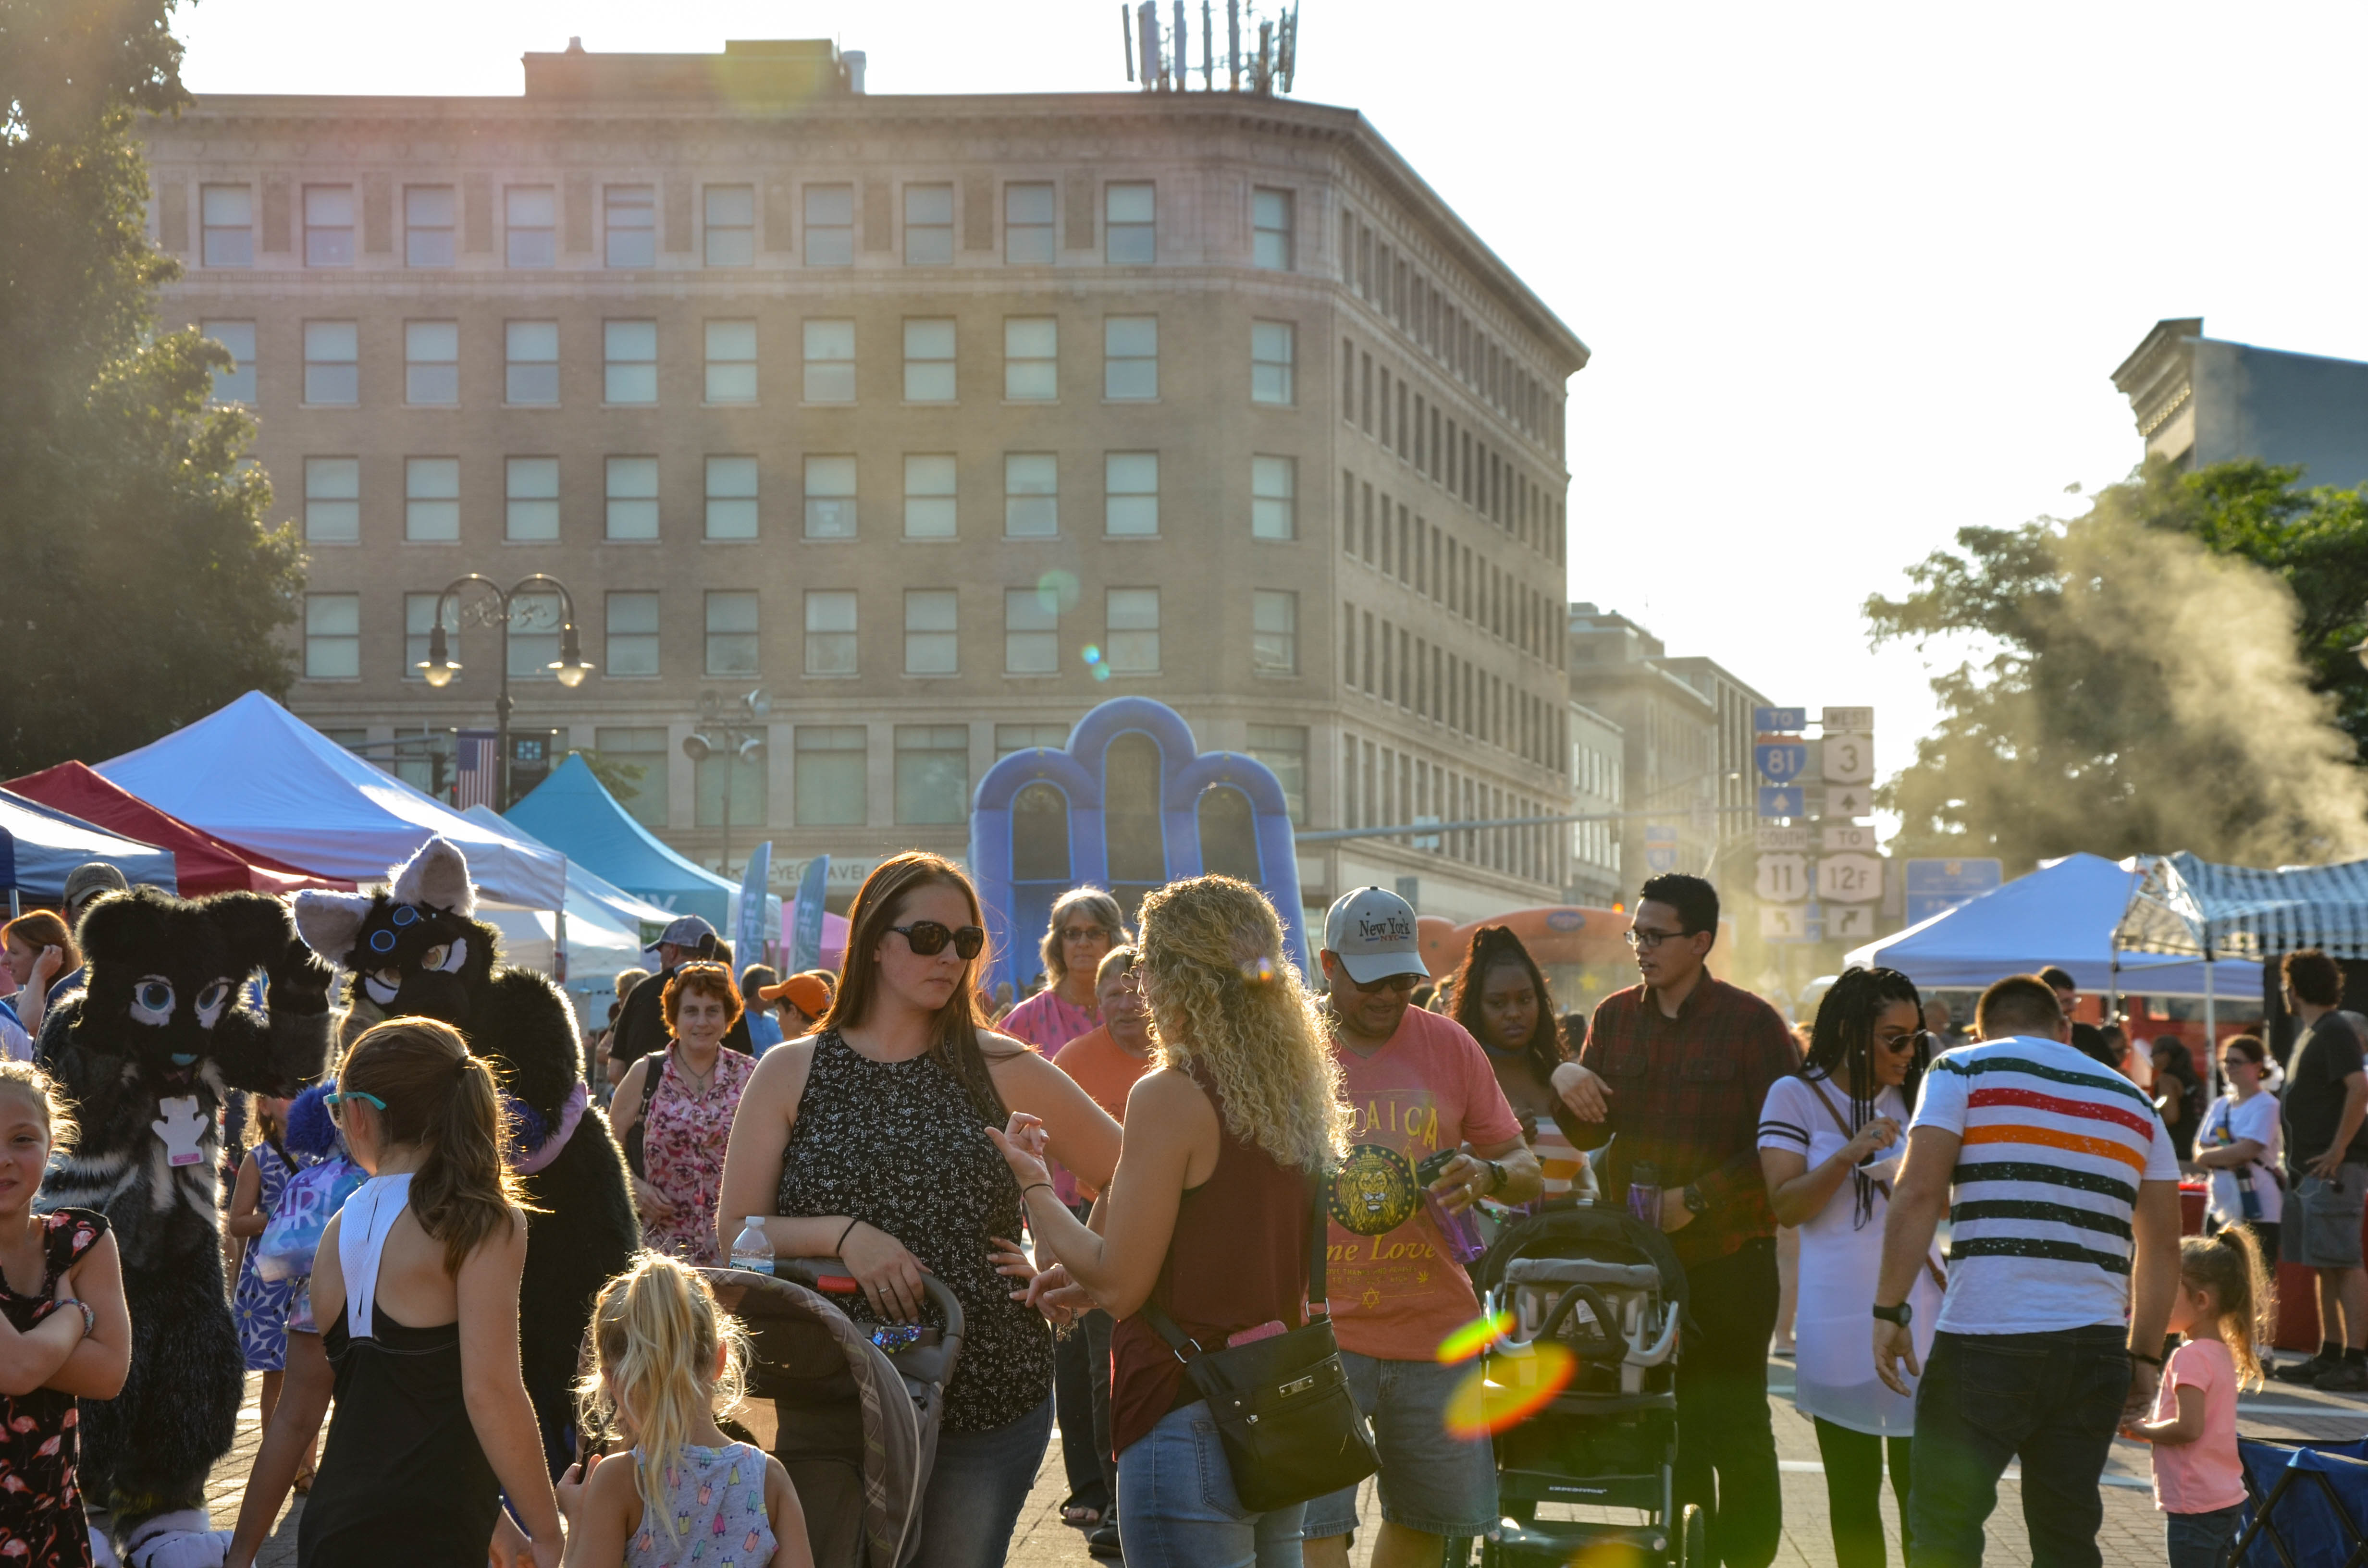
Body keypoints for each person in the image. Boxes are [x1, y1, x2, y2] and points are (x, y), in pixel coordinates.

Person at [715, 851, 1122, 1568]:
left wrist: (1086, 1269)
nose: (950, 958)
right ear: (875, 942)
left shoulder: (1005, 1066)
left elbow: (1137, 1175)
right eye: (929, 937)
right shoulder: (792, 1070)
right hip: (834, 1387)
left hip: (986, 1392)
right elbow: (737, 1238)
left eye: (966, 943)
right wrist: (848, 1238)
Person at [987, 873, 1350, 1568]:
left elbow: (1123, 1286)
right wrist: (1091, 1280)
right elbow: (1218, 1245)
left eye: (1147, 962)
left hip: (1189, 1411)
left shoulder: (1172, 1094)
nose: (1138, 981)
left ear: (1178, 977)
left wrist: (1032, 1182)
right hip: (1275, 1406)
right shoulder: (1293, 1089)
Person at [226, 1018, 565, 1568]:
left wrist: (240, 1554)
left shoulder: (337, 1231)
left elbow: (298, 1420)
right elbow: (490, 1393)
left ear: (357, 1114)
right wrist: (547, 1532)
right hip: (438, 1525)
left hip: (335, 1526)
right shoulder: (478, 1220)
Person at [1873, 974, 2181, 1568]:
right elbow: (2162, 1246)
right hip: (2093, 1345)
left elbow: (1915, 1194)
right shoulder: (2134, 1102)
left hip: (1987, 1336)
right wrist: (2143, 1356)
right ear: (2062, 1029)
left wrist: (1888, 1310)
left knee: (1944, 1527)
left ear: (1981, 1030)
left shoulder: (1960, 1070)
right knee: (2066, 1533)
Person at [1553, 873, 1798, 1568]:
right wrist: (1564, 1079)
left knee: (1740, 1427)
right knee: (1672, 1425)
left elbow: (1781, 1143)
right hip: (1641, 1266)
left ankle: (1743, 1557)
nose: (1641, 947)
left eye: (1655, 936)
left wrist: (1697, 1199)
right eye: (1636, 934)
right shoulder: (1614, 1018)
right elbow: (1581, 1134)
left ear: (1700, 942)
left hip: (1731, 1259)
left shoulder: (1752, 1025)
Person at [1303, 886, 1542, 1568]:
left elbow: (1522, 1164)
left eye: (1404, 980)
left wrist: (1488, 1175)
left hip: (1436, 1331)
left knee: (1431, 1523)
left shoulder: (1450, 1044)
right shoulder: (1290, 1049)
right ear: (1330, 964)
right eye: (1372, 980)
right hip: (1317, 1332)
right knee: (1312, 1526)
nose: (1389, 996)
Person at [1758, 967, 1939, 1568]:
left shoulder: (1919, 1095)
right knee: (1852, 1493)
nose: (1909, 1052)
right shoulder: (1794, 1095)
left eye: (1915, 1038)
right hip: (1835, 1318)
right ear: (1853, 1033)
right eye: (1895, 1038)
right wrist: (1848, 1153)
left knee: (1924, 1494)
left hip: (1917, 1311)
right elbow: (1786, 1206)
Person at [559, 1252, 812, 1567]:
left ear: (612, 1381)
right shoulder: (768, 1478)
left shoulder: (618, 1481)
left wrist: (578, 1526)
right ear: (720, 1360)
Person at [1046, 945, 1158, 1555]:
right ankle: (1113, 1500)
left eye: (1136, 990)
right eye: (1113, 993)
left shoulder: (1178, 1061)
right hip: (1101, 1225)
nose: (1125, 1003)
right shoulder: (1075, 1061)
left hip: (1176, 1228)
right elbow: (1038, 1137)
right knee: (1101, 1368)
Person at [0, 1060, 131, 1567]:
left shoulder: (81, 1240)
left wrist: (27, 1349)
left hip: (52, 1521)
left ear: (52, 1148)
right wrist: (74, 1315)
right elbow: (16, 1369)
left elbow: (108, 1373)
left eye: (23, 1140)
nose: (5, 1159)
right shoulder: (75, 1272)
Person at [2120, 1231, 2272, 1568]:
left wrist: (2144, 1430)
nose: (2156, 1301)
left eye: (2168, 1293)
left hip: (2195, 1503)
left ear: (2201, 1301)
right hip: (2222, 1497)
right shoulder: (2219, 1352)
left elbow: (2189, 1428)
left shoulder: (2189, 1357)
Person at [614, 963, 758, 1265]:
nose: (702, 1022)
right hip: (658, 1255)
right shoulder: (647, 1073)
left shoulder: (750, 1075)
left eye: (713, 1011)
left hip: (732, 1256)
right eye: (691, 1011)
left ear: (728, 1016)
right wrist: (634, 1189)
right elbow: (605, 1154)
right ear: (674, 1018)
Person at [2271, 948, 2368, 1390]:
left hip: (2332, 1171)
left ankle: (2356, 1359)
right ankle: (2329, 1353)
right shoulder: (2314, 1031)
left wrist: (2337, 1150)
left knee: (2344, 1263)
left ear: (2296, 987)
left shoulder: (2334, 1030)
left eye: (2286, 984)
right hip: (2309, 1170)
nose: (2283, 993)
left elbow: (2359, 1088)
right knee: (2323, 1262)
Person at [1449, 925, 1591, 1203]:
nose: (1514, 1013)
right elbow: (1435, 1169)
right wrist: (1499, 1142)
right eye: (1497, 1003)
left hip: (1564, 1239)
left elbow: (1582, 1167)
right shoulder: (1458, 1078)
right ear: (1476, 1007)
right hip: (1488, 1244)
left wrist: (1588, 1193)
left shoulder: (1559, 1077)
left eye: (1525, 999)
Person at [226, 1096, 320, 1493]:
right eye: (281, 1094)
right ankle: (283, 1467)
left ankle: (309, 1467)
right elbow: (236, 1223)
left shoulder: (322, 1155)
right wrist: (282, 1214)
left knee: (314, 1373)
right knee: (277, 1377)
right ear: (263, 1108)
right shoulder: (258, 1158)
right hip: (270, 1280)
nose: (293, 1098)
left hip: (314, 1272)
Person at [608, 917, 752, 1087]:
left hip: (642, 1104)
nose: (701, 1022)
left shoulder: (641, 990)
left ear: (673, 951)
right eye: (690, 1011)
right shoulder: (725, 993)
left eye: (661, 951)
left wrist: (640, 1102)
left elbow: (615, 1070)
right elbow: (742, 1068)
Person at [999, 888, 1127, 1056]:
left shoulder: (1134, 1010)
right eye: (1072, 934)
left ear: (1114, 940)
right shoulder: (1026, 1019)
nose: (1083, 943)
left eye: (1095, 933)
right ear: (1058, 943)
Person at [2193, 1034, 2282, 1262]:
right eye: (2227, 1061)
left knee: (2257, 1273)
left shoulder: (2268, 1105)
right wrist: (2219, 1156)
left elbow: (2248, 1150)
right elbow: (2198, 1151)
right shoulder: (2220, 1104)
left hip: (2257, 1204)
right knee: (2215, 1271)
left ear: (2257, 1066)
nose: (2229, 1067)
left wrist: (2210, 1156)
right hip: (2219, 1204)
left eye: (2236, 1062)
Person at [0, 913, 75, 1049]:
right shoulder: (5, 1004)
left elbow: (26, 1029)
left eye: (14, 952)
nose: (4, 961)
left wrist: (39, 975)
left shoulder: (74, 1006)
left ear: (46, 955)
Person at [2152, 1038, 2204, 1160]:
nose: (2151, 1058)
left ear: (2165, 1055)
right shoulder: (2193, 1077)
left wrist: (2152, 1128)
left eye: (2153, 1054)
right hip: (2197, 1140)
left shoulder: (2167, 1079)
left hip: (2179, 1144)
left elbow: (2171, 1116)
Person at [756, 971, 833, 1048]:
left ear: (793, 1012)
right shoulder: (836, 1048)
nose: (777, 1021)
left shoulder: (787, 1056)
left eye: (778, 1012)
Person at [740, 964, 786, 1055]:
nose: (777, 992)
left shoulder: (776, 1022)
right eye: (773, 986)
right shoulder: (737, 1021)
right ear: (759, 989)